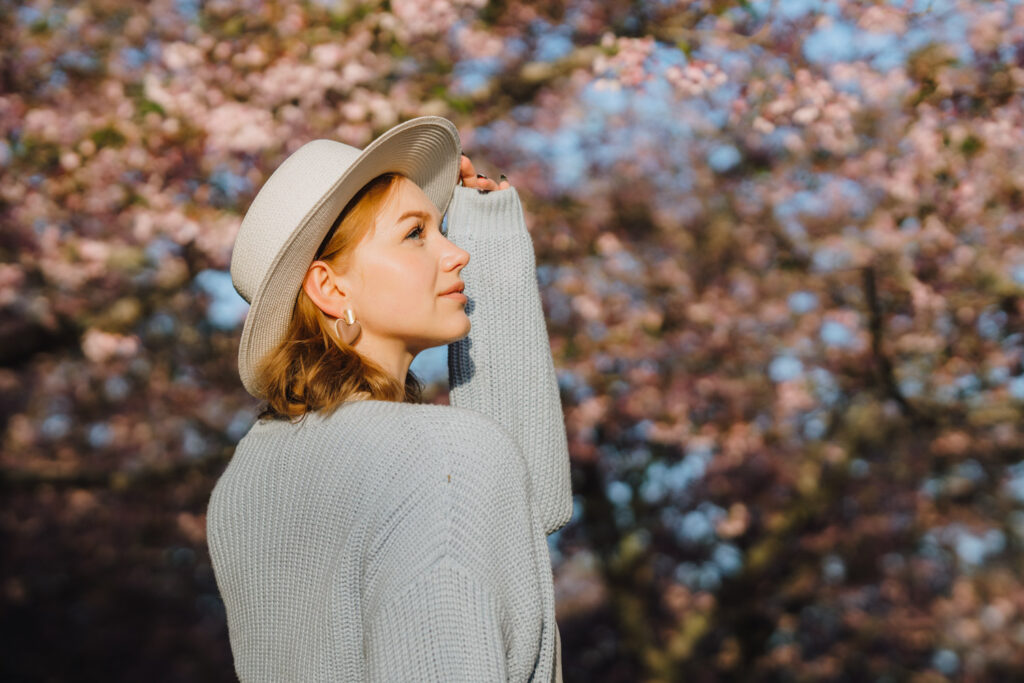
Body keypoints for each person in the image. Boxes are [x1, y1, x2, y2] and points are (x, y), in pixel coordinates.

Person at [206, 116, 573, 682]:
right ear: (329, 287)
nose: (458, 255)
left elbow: (524, 504)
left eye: (442, 228)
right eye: (414, 234)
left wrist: (490, 238)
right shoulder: (439, 453)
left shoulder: (245, 481)